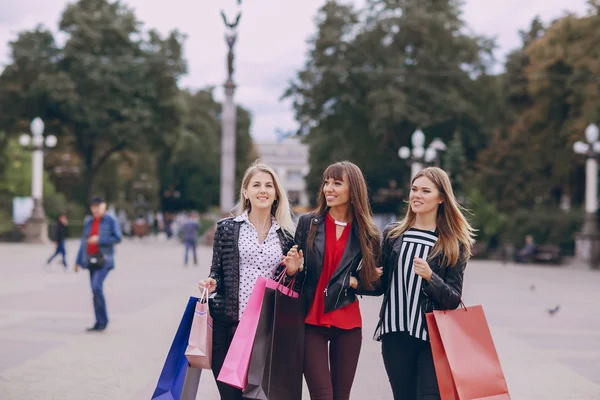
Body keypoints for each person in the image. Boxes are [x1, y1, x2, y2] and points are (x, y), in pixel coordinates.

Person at [283, 161, 382, 400]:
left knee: (341, 396)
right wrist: (292, 271)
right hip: (311, 321)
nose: (329, 188)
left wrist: (356, 282)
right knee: (322, 396)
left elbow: (377, 282)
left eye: (337, 183)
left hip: (347, 323)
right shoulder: (308, 224)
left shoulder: (368, 233)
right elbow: (293, 274)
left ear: (353, 190)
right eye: (327, 182)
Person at [197, 162, 296, 400]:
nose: (263, 190)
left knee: (259, 397)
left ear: (276, 194)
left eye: (268, 186)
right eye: (257, 185)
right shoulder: (227, 229)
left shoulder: (288, 235)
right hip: (229, 327)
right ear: (246, 192)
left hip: (267, 333)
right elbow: (217, 272)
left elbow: (294, 286)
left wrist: (293, 272)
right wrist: (212, 282)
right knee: (230, 397)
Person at [374, 167, 474, 400]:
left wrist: (431, 277)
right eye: (414, 189)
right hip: (395, 334)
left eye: (425, 191)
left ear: (441, 198)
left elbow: (453, 299)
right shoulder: (393, 235)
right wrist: (358, 281)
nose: (417, 195)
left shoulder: (452, 243)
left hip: (433, 338)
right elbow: (380, 286)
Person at [74, 197, 123, 332]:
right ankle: (99, 322)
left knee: (97, 287)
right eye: (93, 206)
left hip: (104, 260)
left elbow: (118, 238)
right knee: (94, 291)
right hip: (90, 259)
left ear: (104, 206)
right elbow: (83, 242)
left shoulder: (111, 220)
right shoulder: (89, 222)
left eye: (98, 206)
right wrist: (78, 261)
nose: (95, 209)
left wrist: (99, 240)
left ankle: (103, 320)